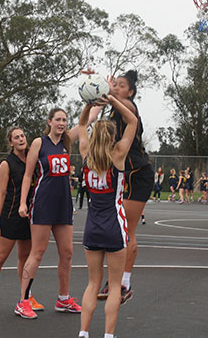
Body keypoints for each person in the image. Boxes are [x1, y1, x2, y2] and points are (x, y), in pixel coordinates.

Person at [77, 94, 137, 338]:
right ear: (113, 137)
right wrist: (112, 100)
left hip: (92, 225)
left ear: (93, 136)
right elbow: (132, 121)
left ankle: (83, 333)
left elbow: (81, 125)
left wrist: (90, 103)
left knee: (92, 283)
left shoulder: (86, 156)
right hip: (114, 226)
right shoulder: (119, 154)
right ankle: (109, 335)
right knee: (114, 286)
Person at [17, 107, 84, 319]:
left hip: (63, 204)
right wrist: (22, 203)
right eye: (58, 119)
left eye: (64, 120)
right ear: (49, 122)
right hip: (43, 203)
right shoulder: (39, 143)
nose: (62, 123)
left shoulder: (67, 142)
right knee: (37, 252)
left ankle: (63, 299)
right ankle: (23, 301)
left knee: (67, 253)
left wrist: (96, 101)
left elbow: (86, 121)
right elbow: (28, 175)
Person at [97, 70, 154, 305]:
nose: (117, 88)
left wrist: (108, 92)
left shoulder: (129, 106)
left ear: (130, 92)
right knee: (115, 231)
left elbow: (122, 104)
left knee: (126, 231)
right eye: (115, 85)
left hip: (138, 174)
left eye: (121, 86)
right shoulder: (113, 108)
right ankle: (116, 280)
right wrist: (94, 87)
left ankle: (123, 284)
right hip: (121, 174)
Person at [0, 127, 44, 317]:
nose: (21, 139)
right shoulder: (6, 164)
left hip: (29, 217)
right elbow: (1, 195)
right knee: (0, 258)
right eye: (17, 137)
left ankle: (26, 296)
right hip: (9, 216)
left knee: (25, 258)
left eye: (23, 135)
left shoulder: (33, 159)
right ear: (11, 142)